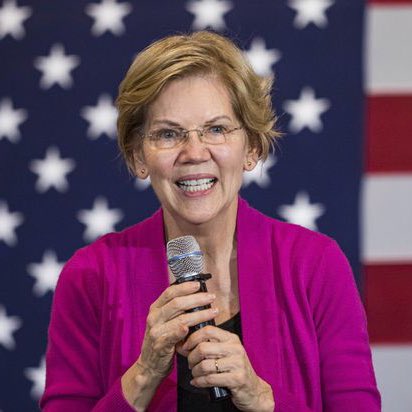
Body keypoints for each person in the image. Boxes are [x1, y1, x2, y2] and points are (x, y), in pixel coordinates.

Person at [40, 31, 381, 411]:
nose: (194, 152)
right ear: (139, 157)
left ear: (251, 147)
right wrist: (144, 373)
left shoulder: (314, 264)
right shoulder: (91, 275)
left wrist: (260, 397)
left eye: (216, 129)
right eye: (168, 134)